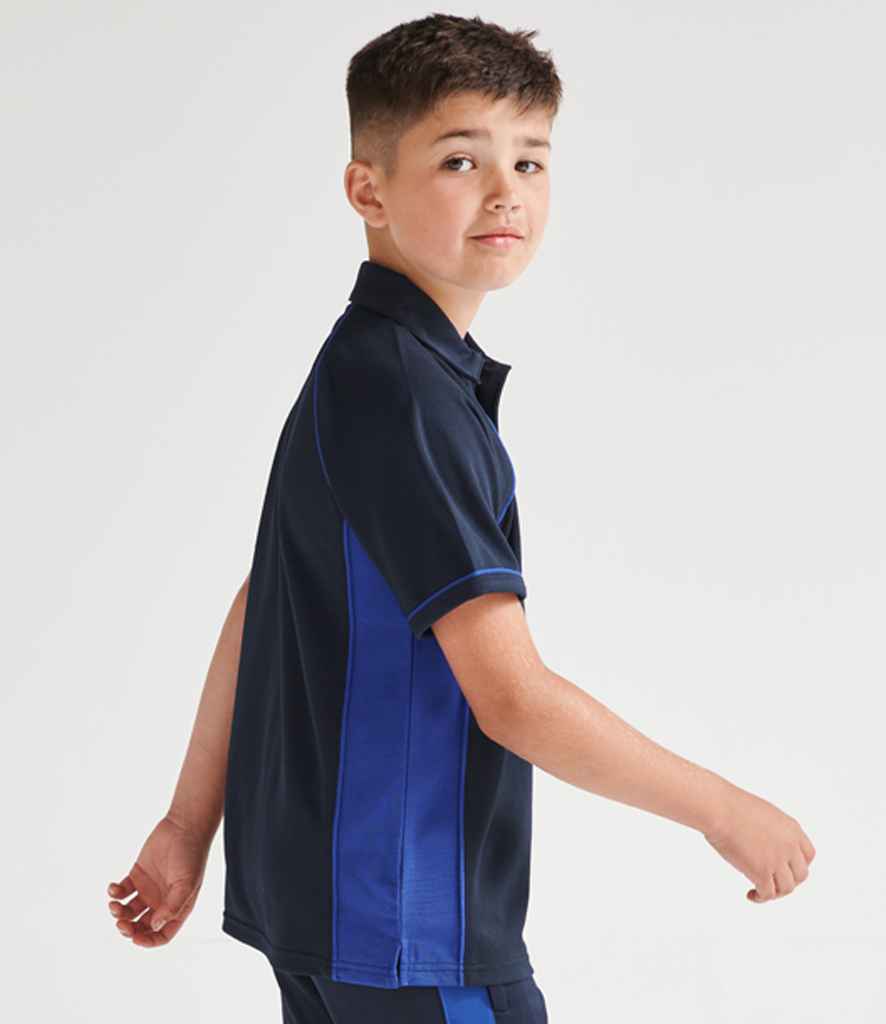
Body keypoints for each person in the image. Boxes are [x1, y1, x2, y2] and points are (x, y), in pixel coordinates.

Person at [107, 13, 816, 1023]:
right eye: (459, 160)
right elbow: (512, 698)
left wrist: (188, 822)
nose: (505, 192)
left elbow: (268, 596)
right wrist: (724, 811)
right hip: (407, 928)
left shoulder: (362, 368)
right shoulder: (405, 396)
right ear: (368, 191)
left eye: (530, 160)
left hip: (321, 916)